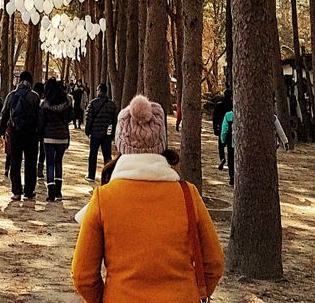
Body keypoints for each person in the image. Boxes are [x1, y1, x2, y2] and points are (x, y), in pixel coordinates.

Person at [72, 94, 224, 303]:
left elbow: (82, 276)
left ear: (120, 144)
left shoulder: (103, 199)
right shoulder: (188, 195)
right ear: (161, 143)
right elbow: (214, 263)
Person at [0, 70, 41, 201]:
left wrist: (1, 131)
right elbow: (39, 117)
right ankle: (29, 191)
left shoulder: (12, 95)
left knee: (15, 162)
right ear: (30, 81)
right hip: (31, 134)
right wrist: (39, 133)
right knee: (30, 162)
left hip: (15, 133)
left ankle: (16, 192)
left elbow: (4, 114)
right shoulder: (35, 96)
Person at [39, 77, 72, 201]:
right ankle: (58, 192)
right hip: (62, 136)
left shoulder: (44, 104)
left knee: (50, 163)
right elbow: (70, 117)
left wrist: (41, 134)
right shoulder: (67, 102)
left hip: (48, 137)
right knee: (59, 162)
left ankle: (51, 193)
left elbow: (41, 122)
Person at [85, 82, 118, 181]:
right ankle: (108, 176)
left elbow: (89, 119)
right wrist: (112, 134)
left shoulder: (93, 103)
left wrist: (88, 131)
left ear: (99, 91)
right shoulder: (112, 105)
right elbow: (114, 121)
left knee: (93, 154)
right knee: (107, 155)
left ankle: (91, 175)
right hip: (107, 134)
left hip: (95, 133)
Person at [212, 88, 232, 170]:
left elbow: (214, 118)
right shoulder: (233, 105)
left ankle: (222, 158)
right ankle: (231, 162)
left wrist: (215, 128)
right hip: (232, 130)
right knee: (231, 147)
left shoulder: (219, 105)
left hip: (221, 128)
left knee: (221, 146)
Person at [220, 97, 234, 187]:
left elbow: (224, 129)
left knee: (231, 159)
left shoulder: (228, 115)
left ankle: (232, 175)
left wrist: (223, 140)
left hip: (231, 141)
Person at [34, 82, 46, 178]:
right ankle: (40, 168)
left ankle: (34, 167)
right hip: (43, 129)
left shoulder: (32, 99)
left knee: (33, 150)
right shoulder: (44, 103)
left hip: (33, 129)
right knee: (43, 150)